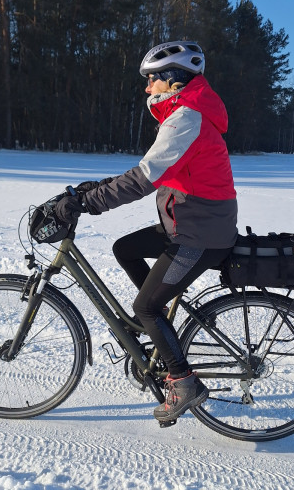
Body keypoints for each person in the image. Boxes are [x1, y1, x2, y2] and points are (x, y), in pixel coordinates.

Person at [55, 40, 238, 424]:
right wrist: (94, 188)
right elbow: (152, 170)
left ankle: (184, 383)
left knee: (146, 306)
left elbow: (144, 179)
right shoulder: (186, 114)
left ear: (173, 80)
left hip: (199, 235)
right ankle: (155, 329)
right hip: (190, 224)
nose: (147, 87)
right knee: (126, 248)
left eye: (152, 78)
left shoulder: (187, 118)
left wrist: (89, 203)